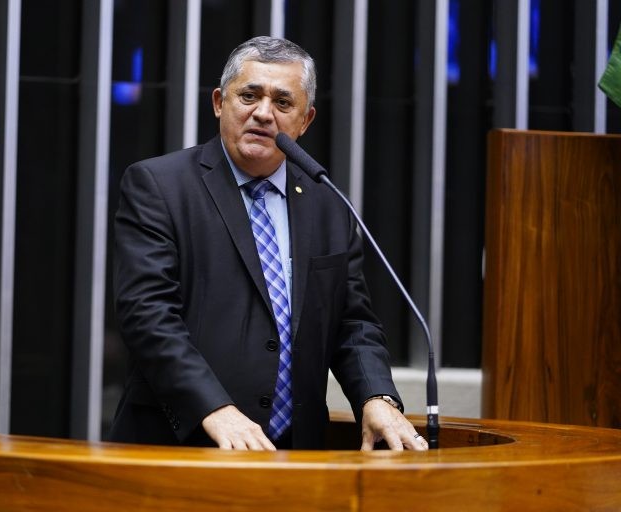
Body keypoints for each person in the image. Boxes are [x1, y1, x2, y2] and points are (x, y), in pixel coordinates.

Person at [108, 36, 428, 451]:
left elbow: (353, 323)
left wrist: (377, 397)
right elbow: (147, 315)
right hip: (180, 445)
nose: (263, 113)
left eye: (282, 102)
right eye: (249, 96)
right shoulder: (160, 186)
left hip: (295, 453)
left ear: (305, 120)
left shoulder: (327, 203)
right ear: (219, 102)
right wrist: (213, 408)